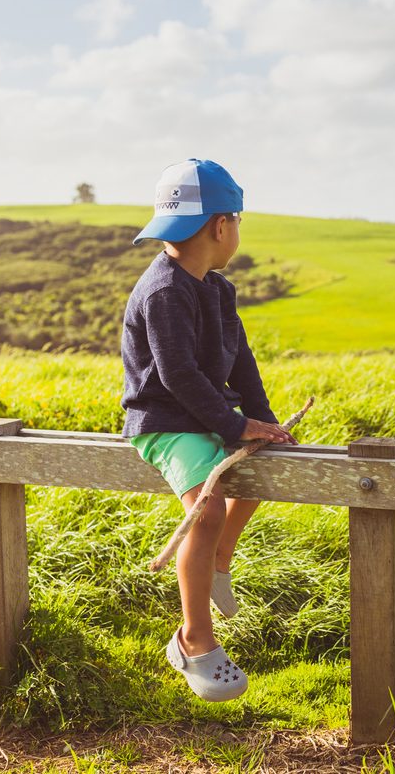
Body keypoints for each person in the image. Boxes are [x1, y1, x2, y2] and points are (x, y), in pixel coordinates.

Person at [120, 158, 296, 702]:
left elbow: (240, 362)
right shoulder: (164, 291)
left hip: (204, 413)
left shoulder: (216, 290)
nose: (238, 230)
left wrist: (259, 423)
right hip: (165, 422)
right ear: (221, 225)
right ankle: (194, 641)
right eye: (237, 219)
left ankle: (219, 559)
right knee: (209, 506)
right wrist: (232, 424)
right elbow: (175, 378)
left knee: (262, 470)